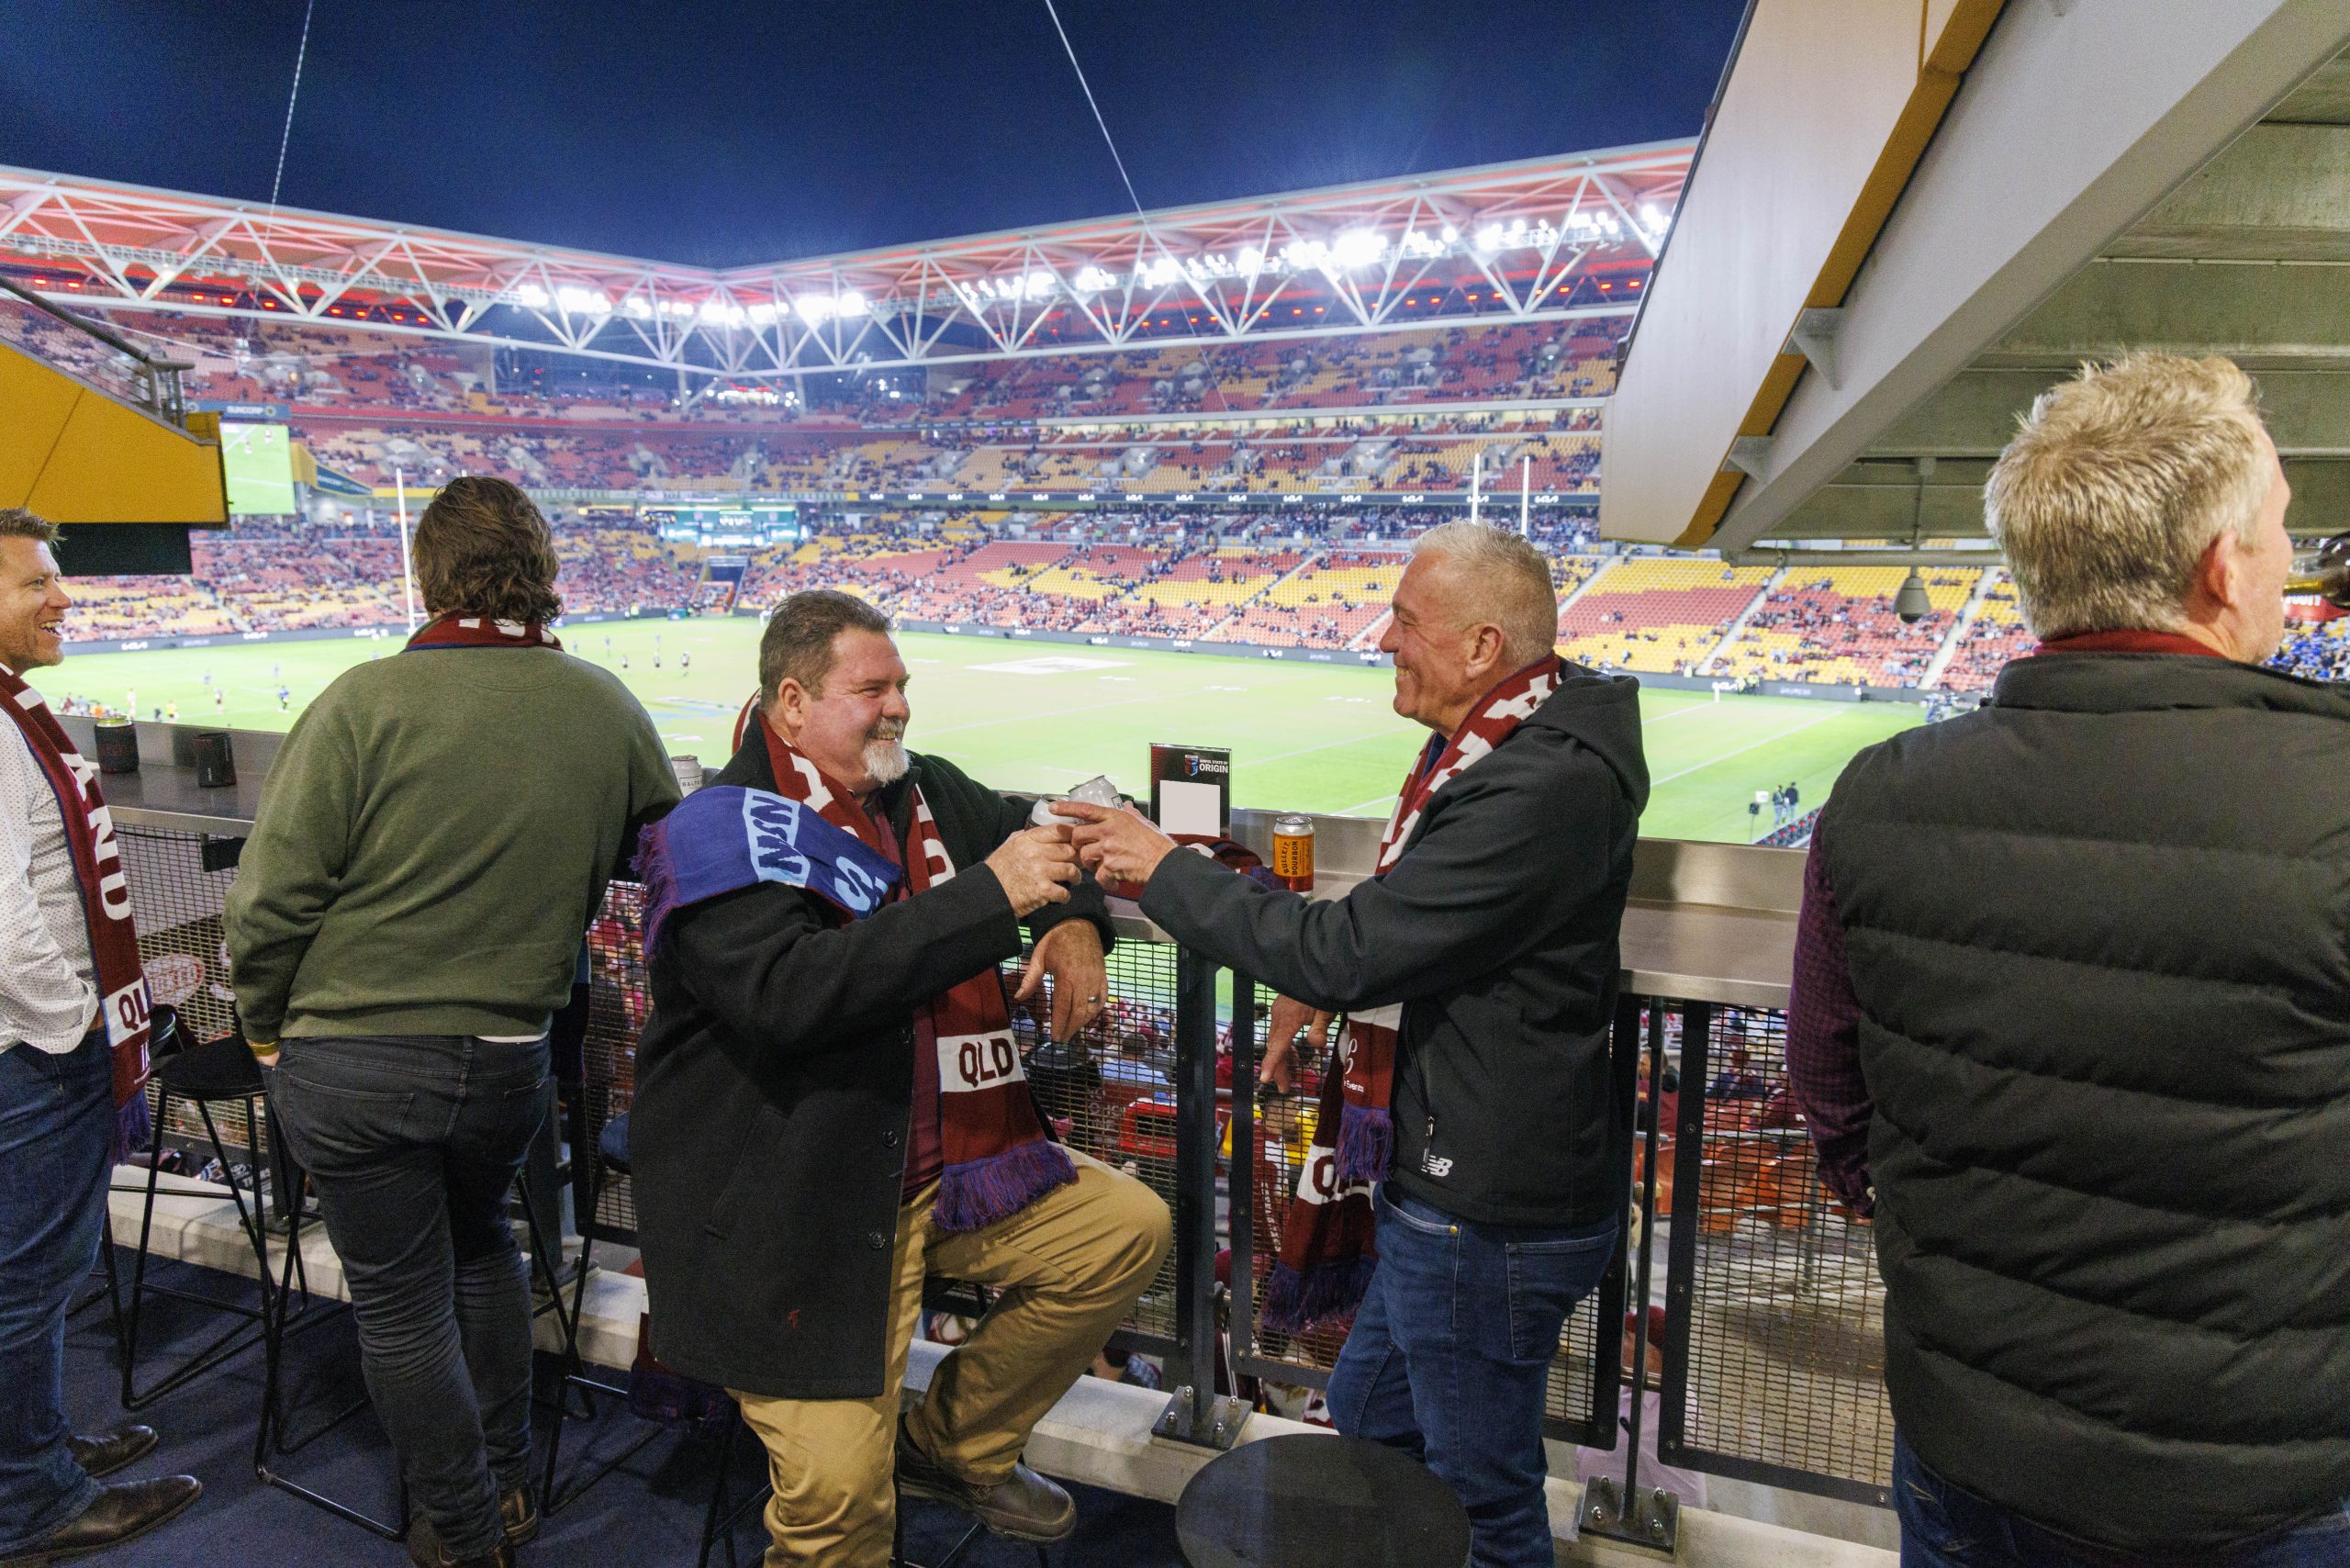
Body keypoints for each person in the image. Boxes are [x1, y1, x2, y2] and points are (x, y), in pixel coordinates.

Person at [1787, 353, 2350, 1565]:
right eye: (2280, 530)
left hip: (1972, 1449)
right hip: (2260, 1486)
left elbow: (1833, 1100)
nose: (2291, 561)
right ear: (2222, 565)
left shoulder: (1879, 796)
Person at [1061, 522, 1648, 1568]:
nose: (1383, 640)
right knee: (1375, 1417)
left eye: (1406, 623)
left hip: (1486, 1210)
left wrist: (1163, 867)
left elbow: (1351, 952)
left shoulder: (1539, 783)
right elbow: (1401, 933)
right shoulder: (1512, 743)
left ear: (1482, 646)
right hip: (1462, 1189)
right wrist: (1320, 978)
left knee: (1485, 1502)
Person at [629, 589, 1170, 1563]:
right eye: (871, 689)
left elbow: (1048, 833)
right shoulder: (716, 832)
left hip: (939, 1176)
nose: (899, 707)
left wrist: (1073, 920)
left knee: (1125, 1229)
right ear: (792, 703)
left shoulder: (925, 792)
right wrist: (992, 896)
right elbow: (792, 995)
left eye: (902, 685)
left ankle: (950, 1447)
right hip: (800, 1207)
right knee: (841, 1501)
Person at [227, 476, 679, 1568]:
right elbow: (666, 861)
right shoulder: (607, 704)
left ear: (428, 574)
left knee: (400, 1303)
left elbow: (271, 901)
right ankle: (508, 1484)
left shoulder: (362, 700)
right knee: (485, 1251)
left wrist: (263, 1026)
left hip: (352, 1052)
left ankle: (465, 1529)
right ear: (542, 571)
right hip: (507, 1056)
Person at [0, 508, 202, 1564]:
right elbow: (2, 915)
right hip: (28, 1054)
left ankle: (31, 1446)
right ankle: (29, 1500)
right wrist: (76, 1017)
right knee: (27, 1276)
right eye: (34, 582)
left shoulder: (12, 707)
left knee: (31, 1270)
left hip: (31, 1048)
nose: (62, 595)